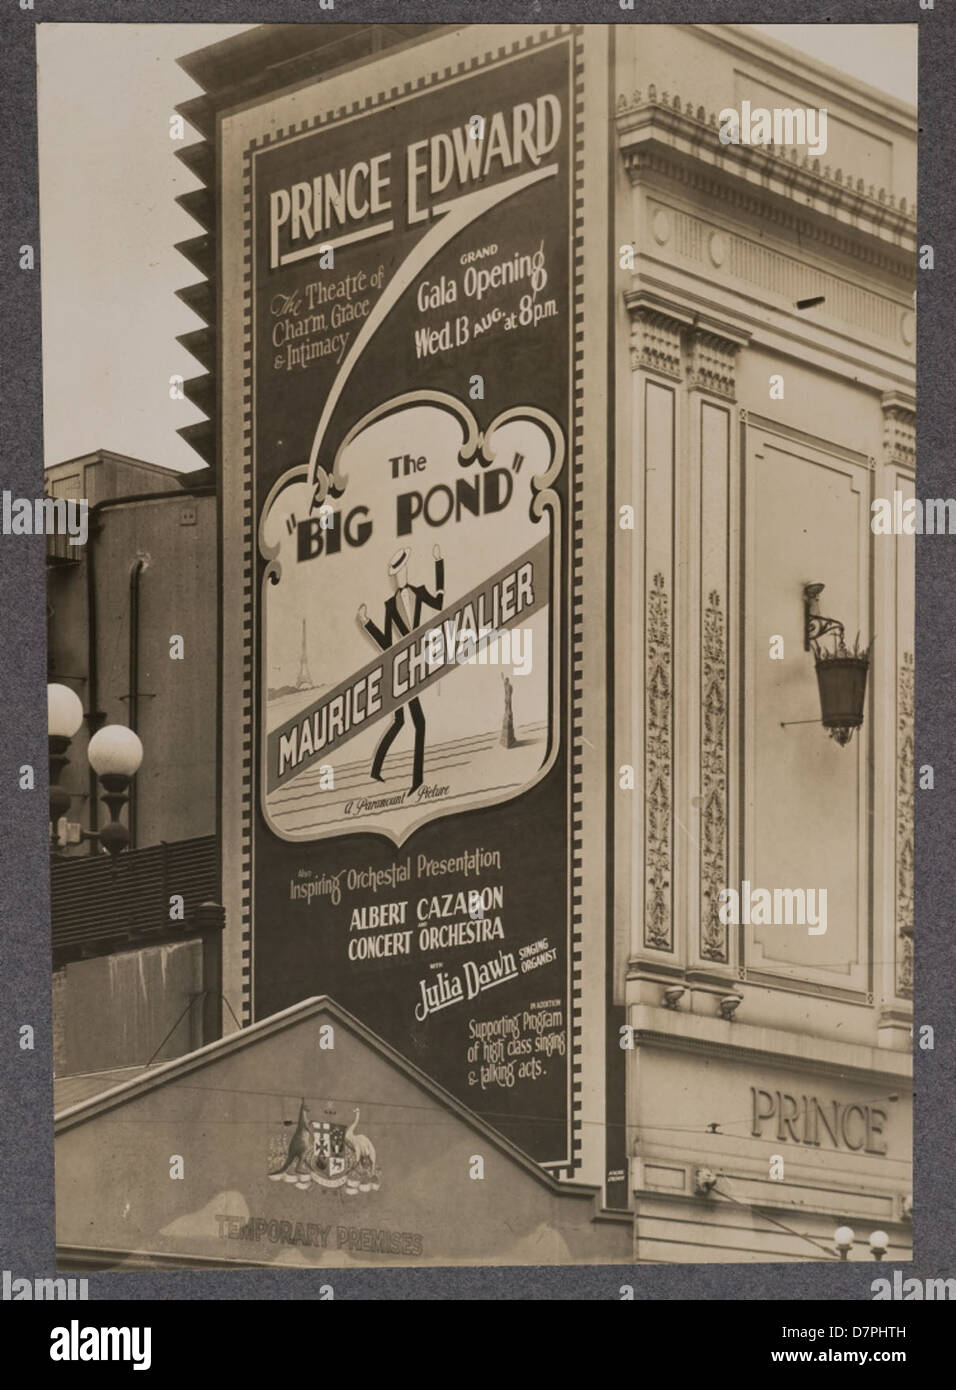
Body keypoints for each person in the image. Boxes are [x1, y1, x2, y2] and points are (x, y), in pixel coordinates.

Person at [357, 544, 444, 791]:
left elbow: (439, 602)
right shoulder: (389, 605)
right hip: (403, 667)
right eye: (394, 574)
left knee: (399, 720)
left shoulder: (419, 592)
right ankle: (416, 781)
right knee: (417, 722)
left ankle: (376, 769)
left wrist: (439, 562)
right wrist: (367, 622)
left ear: (406, 569)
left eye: (400, 570)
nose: (397, 577)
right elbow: (386, 642)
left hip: (417, 662)